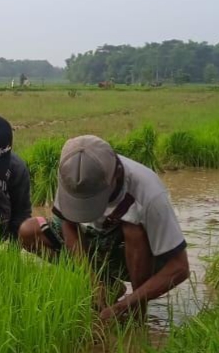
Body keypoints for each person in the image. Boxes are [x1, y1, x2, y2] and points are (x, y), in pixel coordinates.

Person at [18, 135, 190, 322]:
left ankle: (138, 311)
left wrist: (124, 305)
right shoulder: (71, 174)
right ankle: (107, 286)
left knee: (134, 230)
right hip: (93, 238)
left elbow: (179, 268)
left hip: (132, 252)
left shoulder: (149, 194)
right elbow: (69, 223)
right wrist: (93, 281)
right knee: (28, 230)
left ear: (115, 176)